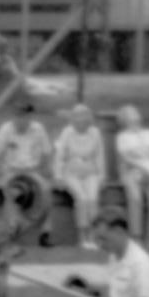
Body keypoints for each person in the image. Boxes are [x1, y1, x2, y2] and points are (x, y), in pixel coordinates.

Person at [46, 103, 108, 245]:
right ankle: (82, 236)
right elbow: (60, 156)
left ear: (88, 120)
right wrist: (58, 176)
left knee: (92, 199)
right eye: (77, 120)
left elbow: (100, 156)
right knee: (82, 198)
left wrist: (102, 175)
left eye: (84, 120)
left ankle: (94, 236)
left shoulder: (95, 133)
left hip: (90, 171)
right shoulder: (67, 132)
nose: (80, 123)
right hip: (71, 172)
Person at [111, 104, 149, 240]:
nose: (135, 119)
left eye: (136, 115)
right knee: (135, 197)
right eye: (131, 116)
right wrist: (142, 168)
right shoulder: (122, 137)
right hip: (132, 171)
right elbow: (126, 158)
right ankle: (136, 235)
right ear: (125, 121)